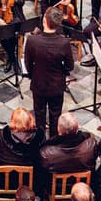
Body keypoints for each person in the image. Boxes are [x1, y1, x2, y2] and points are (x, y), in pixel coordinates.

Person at [23, 7, 76, 139]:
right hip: (57, 86)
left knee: (39, 114)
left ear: (44, 21)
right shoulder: (64, 43)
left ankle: (40, 141)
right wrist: (61, 72)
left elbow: (27, 64)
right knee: (55, 114)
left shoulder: (32, 40)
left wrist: (33, 75)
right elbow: (70, 66)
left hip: (38, 84)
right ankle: (53, 140)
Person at [0, 107, 43, 188]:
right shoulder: (39, 138)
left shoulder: (1, 136)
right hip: (27, 185)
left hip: (3, 183)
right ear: (30, 120)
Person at [40, 111, 98, 179]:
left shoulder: (46, 153)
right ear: (77, 127)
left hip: (58, 187)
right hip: (83, 184)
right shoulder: (91, 144)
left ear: (59, 130)